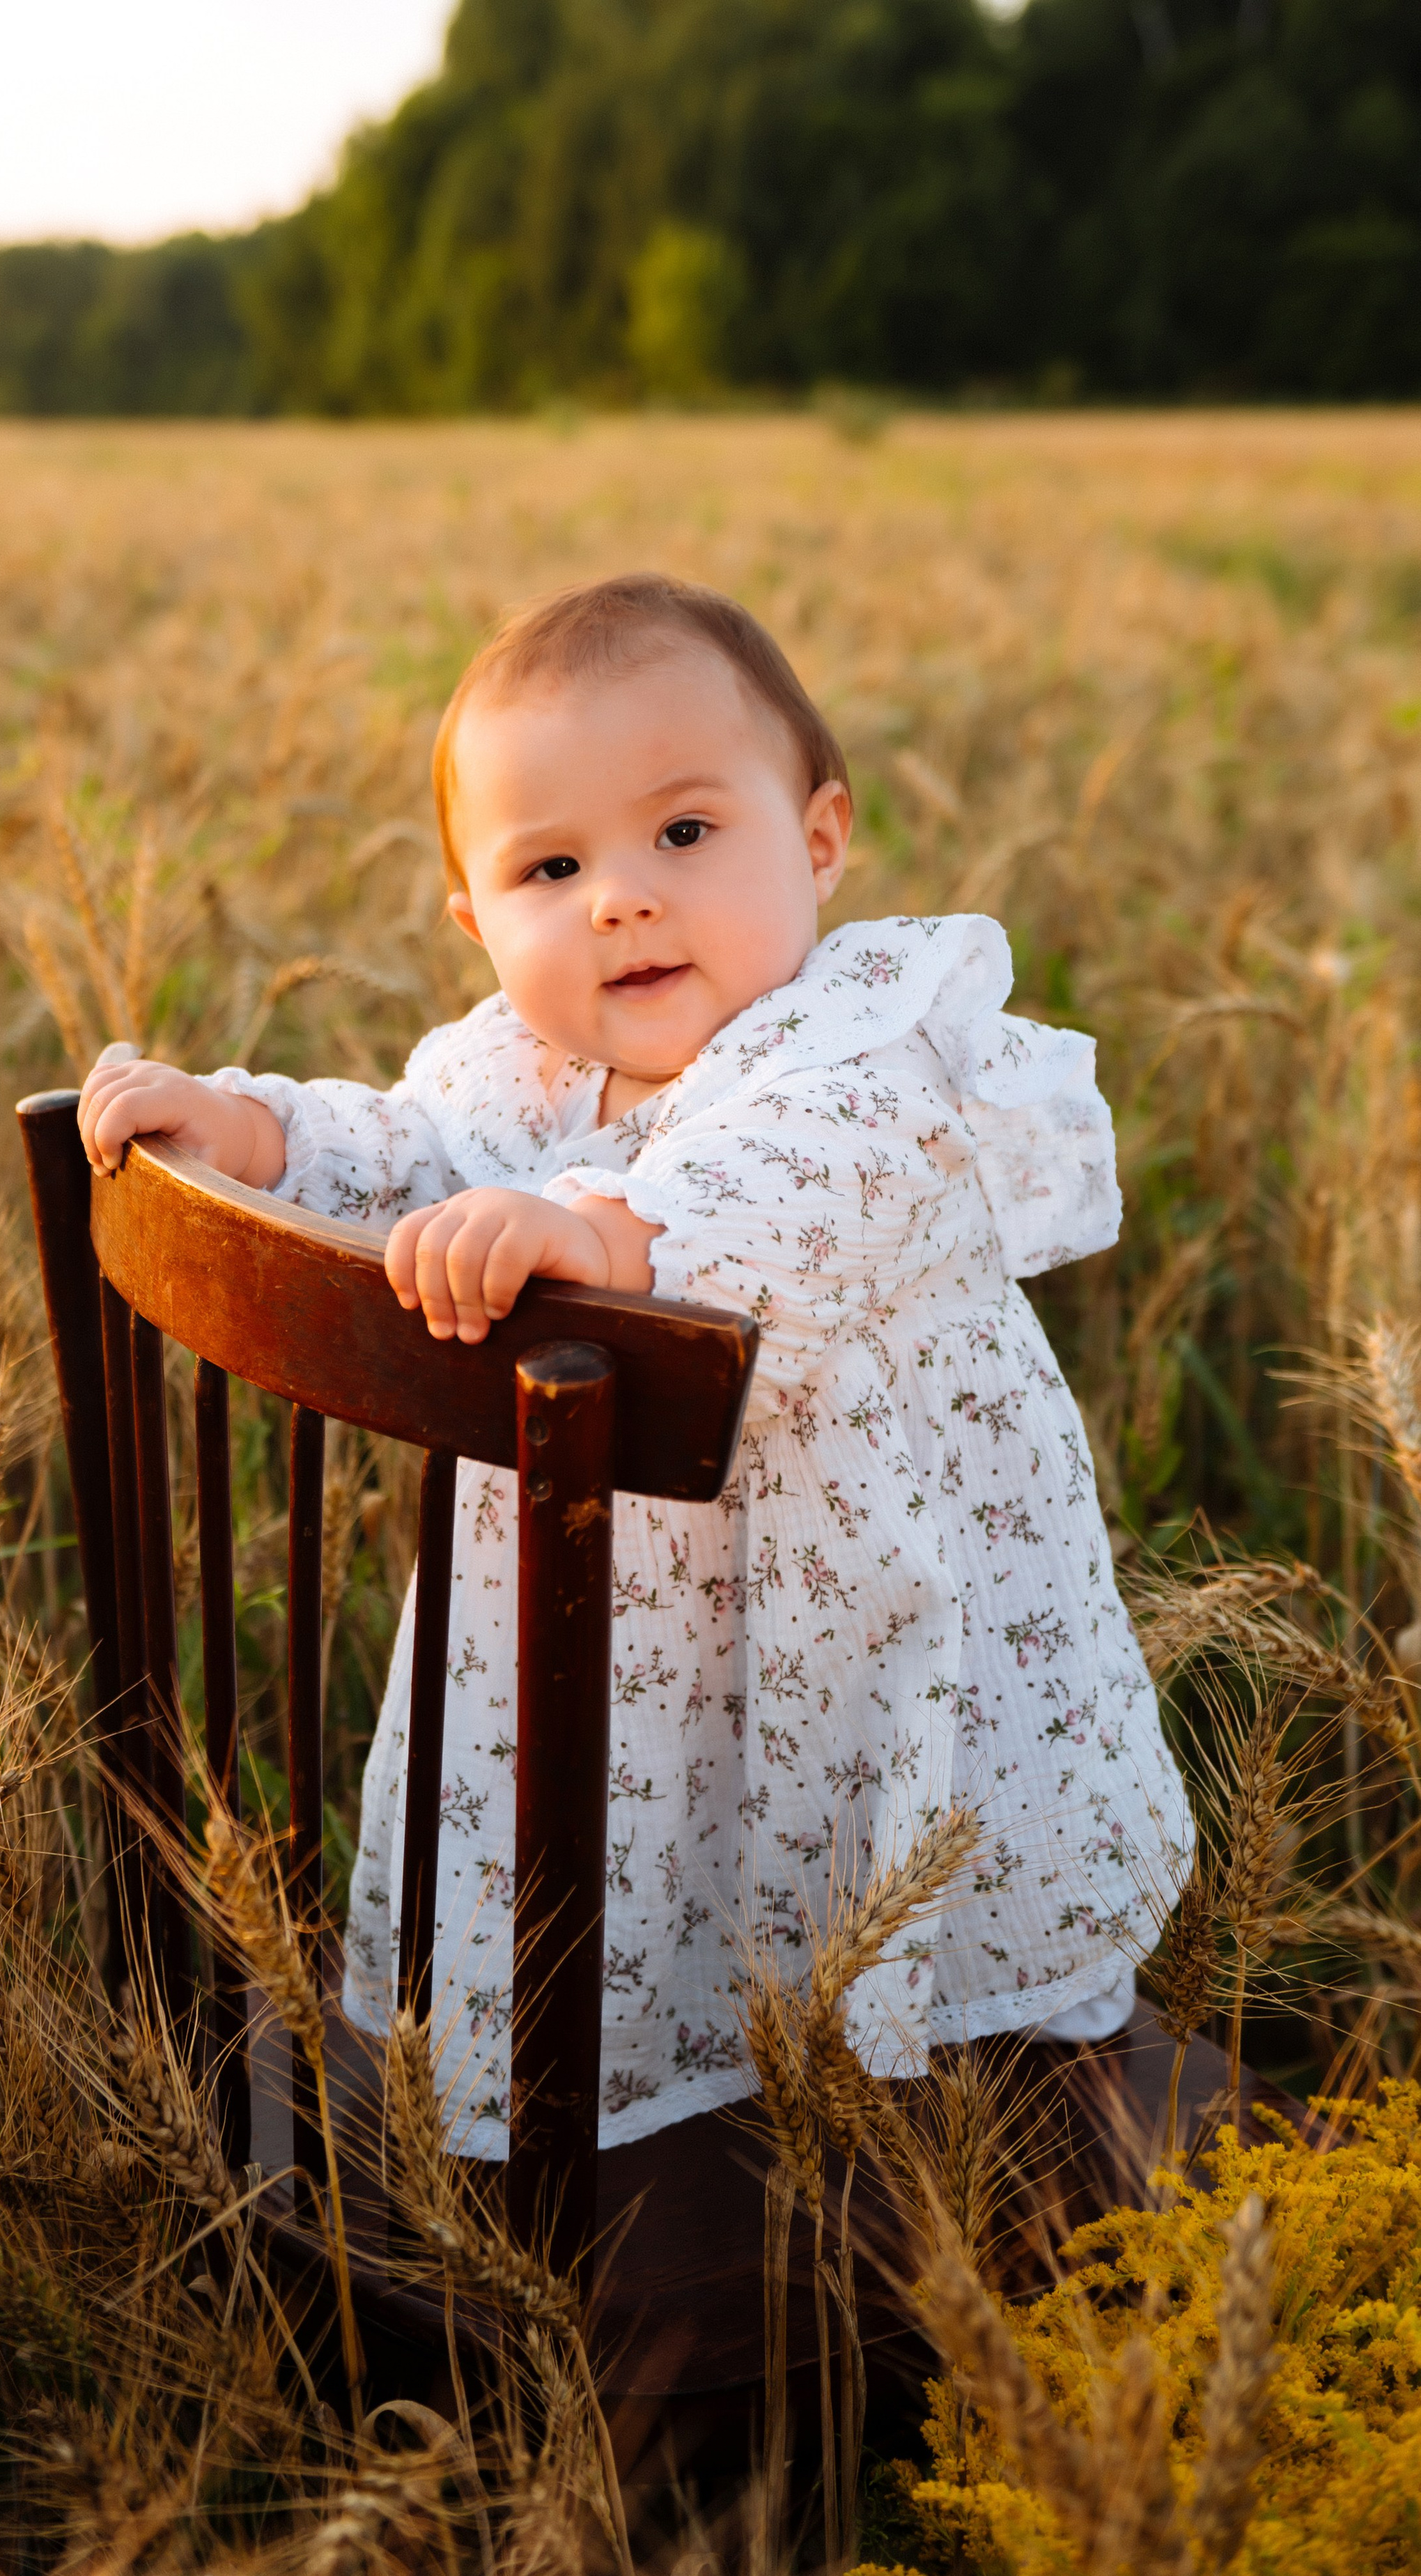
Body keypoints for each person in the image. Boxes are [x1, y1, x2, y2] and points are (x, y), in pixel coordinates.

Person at [75, 572, 1192, 2158]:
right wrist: (250, 1132)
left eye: (681, 834)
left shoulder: (875, 1049)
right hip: (602, 1659)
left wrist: (608, 1234)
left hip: (868, 1636)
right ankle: (681, 2126)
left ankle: (970, 2110)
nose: (619, 897)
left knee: (896, 1910)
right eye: (551, 865)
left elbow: (793, 1187)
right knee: (667, 1897)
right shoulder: (523, 1073)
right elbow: (407, 1146)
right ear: (474, 917)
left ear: (815, 839)